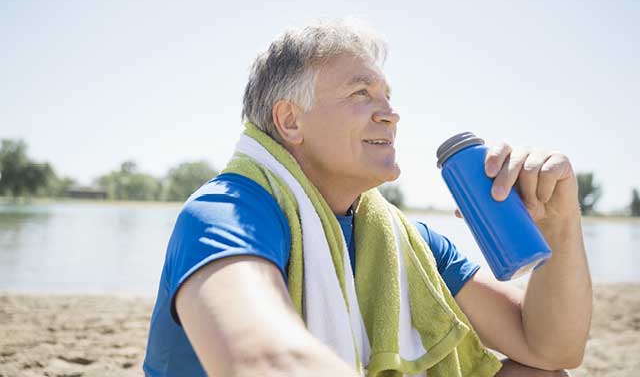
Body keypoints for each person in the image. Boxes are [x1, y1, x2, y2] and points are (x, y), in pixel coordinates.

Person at [143, 19, 592, 377]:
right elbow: (264, 362)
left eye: (388, 96)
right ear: (289, 121)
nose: (391, 113)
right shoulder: (228, 212)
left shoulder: (403, 239)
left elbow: (550, 348)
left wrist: (562, 226)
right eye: (361, 93)